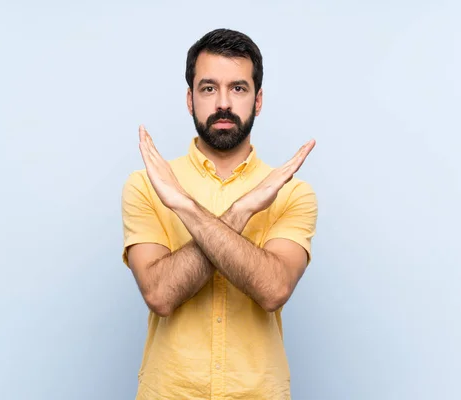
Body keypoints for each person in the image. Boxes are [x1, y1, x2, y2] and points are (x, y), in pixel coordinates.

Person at [121, 28, 318, 400]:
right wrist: (238, 210)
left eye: (238, 89)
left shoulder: (291, 193)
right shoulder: (148, 185)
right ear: (190, 99)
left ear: (258, 100)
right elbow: (161, 294)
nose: (223, 103)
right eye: (208, 88)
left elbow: (273, 289)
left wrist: (185, 207)